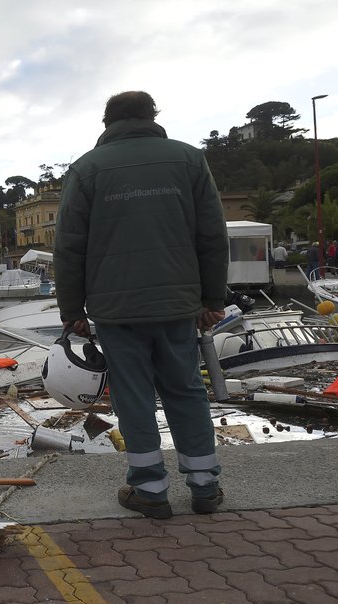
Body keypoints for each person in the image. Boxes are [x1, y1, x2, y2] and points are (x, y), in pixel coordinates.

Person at [54, 91, 229, 519]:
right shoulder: (188, 160)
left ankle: (150, 489)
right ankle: (205, 486)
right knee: (186, 390)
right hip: (177, 303)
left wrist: (72, 311)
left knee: (133, 396)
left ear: (106, 122)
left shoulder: (86, 169)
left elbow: (68, 247)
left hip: (116, 308)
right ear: (153, 116)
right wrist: (212, 299)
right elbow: (212, 235)